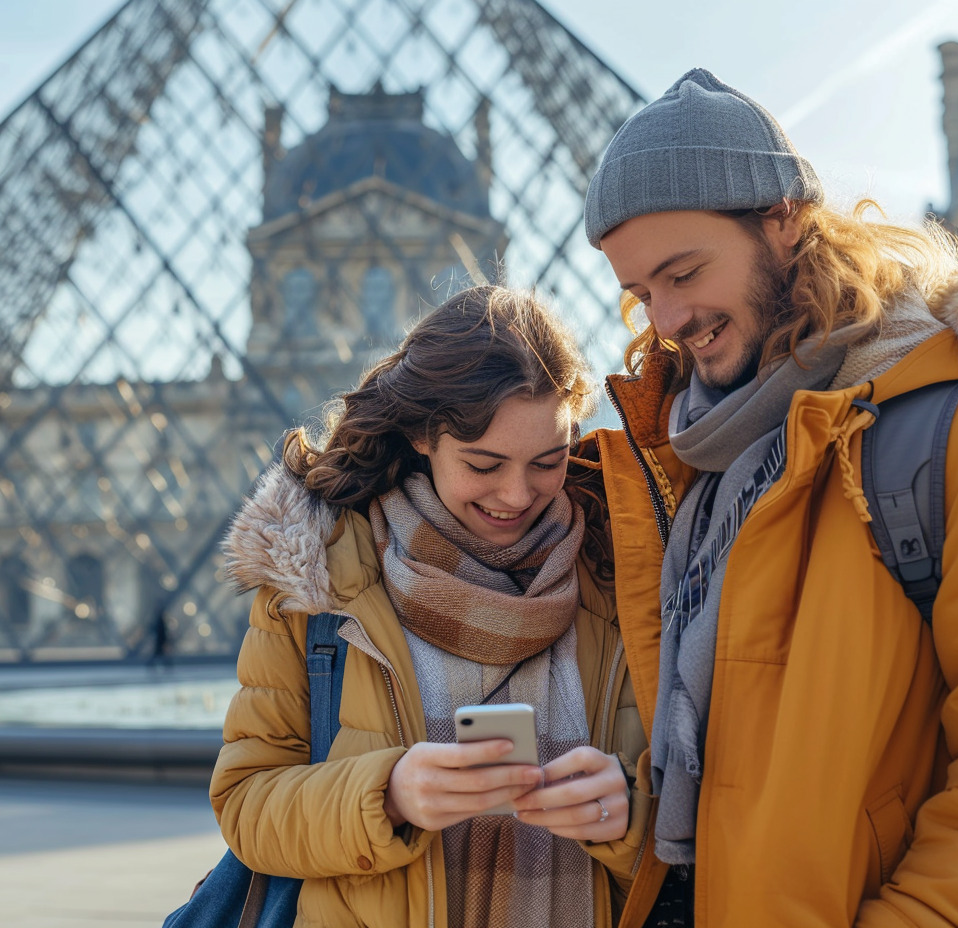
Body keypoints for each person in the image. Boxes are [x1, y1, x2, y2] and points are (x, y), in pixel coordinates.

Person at [578, 67, 958, 926]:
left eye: (684, 272)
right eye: (642, 293)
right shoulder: (684, 468)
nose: (667, 318)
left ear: (784, 218)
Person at [211, 286, 656, 927]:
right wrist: (387, 795)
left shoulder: (624, 576)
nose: (516, 494)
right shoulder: (313, 581)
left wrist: (627, 813)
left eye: (548, 462)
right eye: (483, 464)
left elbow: (710, 809)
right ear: (423, 434)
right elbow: (245, 804)